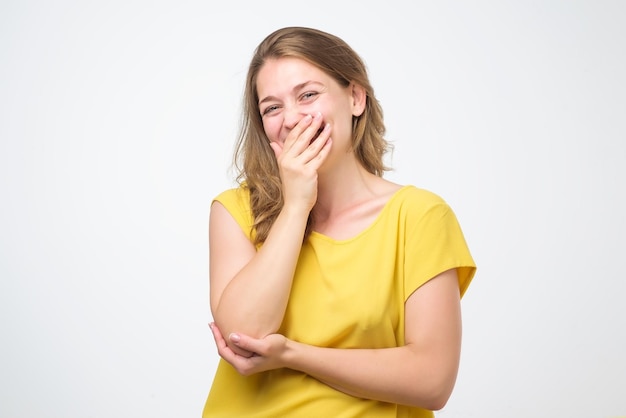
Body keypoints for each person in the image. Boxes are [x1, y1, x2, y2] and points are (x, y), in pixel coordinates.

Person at [202, 26, 476, 418]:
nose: (292, 119)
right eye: (272, 108)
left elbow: (432, 380)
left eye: (308, 95)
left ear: (355, 98)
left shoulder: (419, 216)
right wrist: (296, 206)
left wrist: (294, 355)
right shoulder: (234, 211)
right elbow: (244, 336)